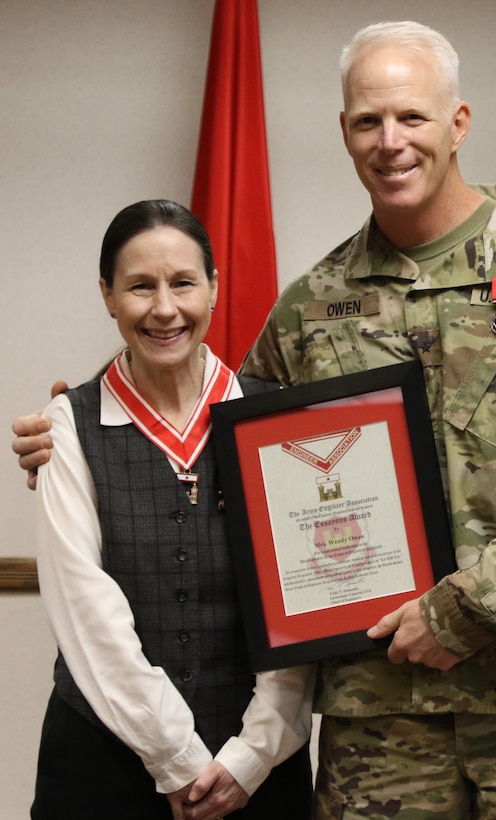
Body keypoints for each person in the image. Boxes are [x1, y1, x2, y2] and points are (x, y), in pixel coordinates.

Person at [12, 20, 496, 820]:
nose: (390, 142)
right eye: (367, 121)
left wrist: (458, 611)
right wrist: (74, 434)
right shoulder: (309, 309)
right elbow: (225, 454)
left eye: (412, 117)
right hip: (378, 724)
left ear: (457, 123)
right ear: (345, 134)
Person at [17, 199, 314, 820]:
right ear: (107, 295)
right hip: (100, 770)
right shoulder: (67, 425)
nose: (164, 308)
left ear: (213, 287)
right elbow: (85, 608)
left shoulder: (275, 417)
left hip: (258, 770)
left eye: (183, 283)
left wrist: (250, 758)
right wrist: (177, 760)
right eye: (139, 287)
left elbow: (303, 601)